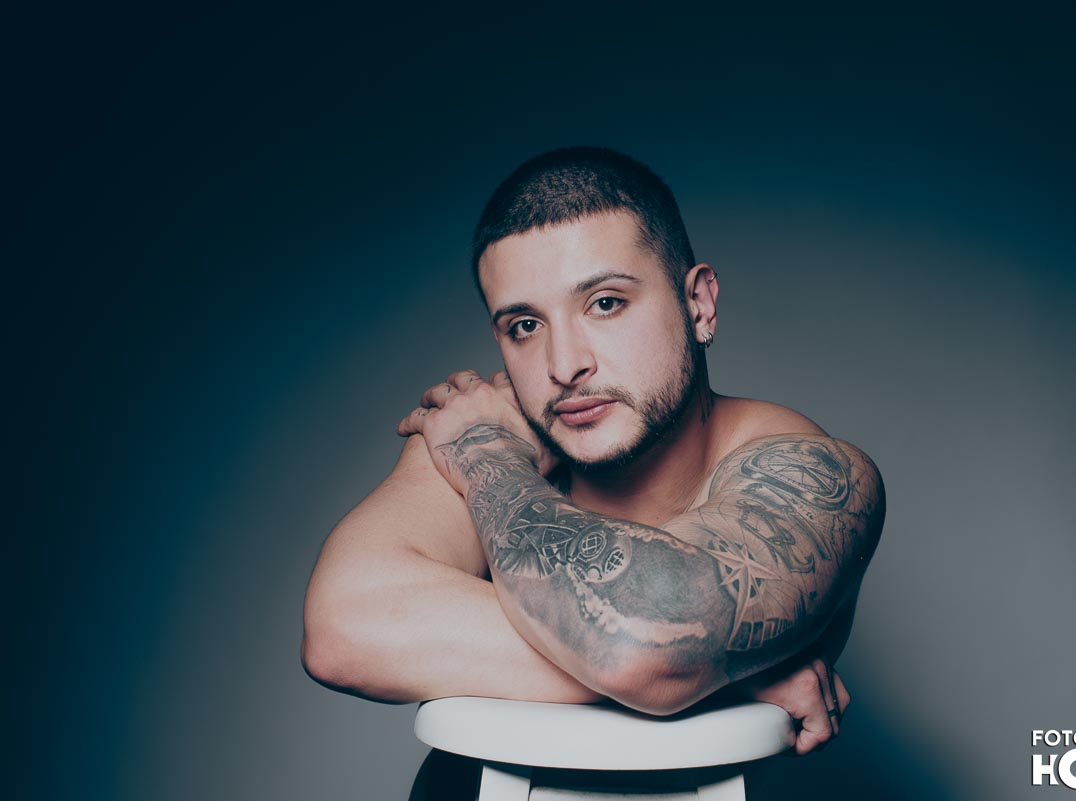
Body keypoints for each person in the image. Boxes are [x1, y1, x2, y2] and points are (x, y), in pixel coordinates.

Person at [302, 147, 886, 791]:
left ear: (698, 304)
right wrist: (719, 677)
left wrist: (674, 663)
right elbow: (343, 629)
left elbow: (642, 650)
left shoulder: (810, 472)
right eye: (525, 325)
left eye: (605, 303)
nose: (563, 365)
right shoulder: (484, 431)